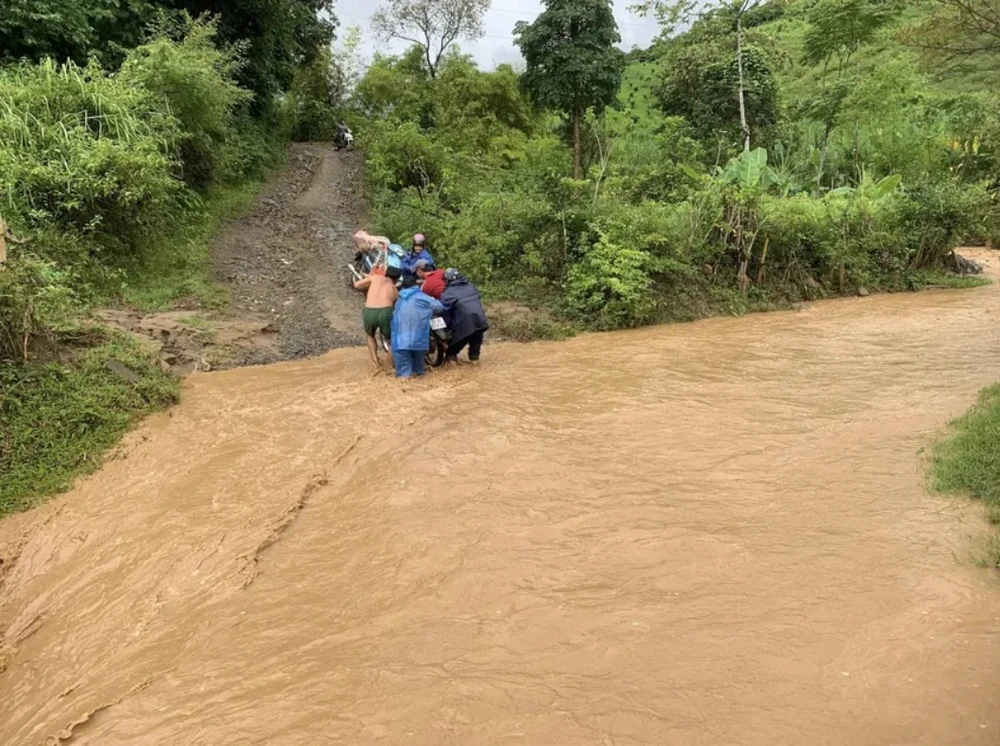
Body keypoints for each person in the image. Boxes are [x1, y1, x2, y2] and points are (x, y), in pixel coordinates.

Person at [391, 276, 444, 378]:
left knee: (403, 376)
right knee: (419, 373)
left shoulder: (399, 300)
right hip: (417, 340)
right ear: (416, 284)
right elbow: (439, 307)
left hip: (399, 341)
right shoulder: (422, 297)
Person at [354, 266, 401, 370]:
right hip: (385, 312)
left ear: (385, 274)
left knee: (370, 335)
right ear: (397, 279)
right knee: (391, 340)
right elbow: (397, 304)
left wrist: (368, 287)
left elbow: (356, 284)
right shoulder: (394, 288)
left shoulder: (375, 277)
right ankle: (389, 366)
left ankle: (375, 361)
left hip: (369, 310)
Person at [440, 269, 490, 363]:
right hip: (481, 320)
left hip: (465, 324)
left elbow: (444, 312)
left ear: (448, 280)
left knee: (452, 350)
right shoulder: (471, 286)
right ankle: (475, 361)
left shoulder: (448, 293)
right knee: (476, 346)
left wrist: (447, 329)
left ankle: (452, 360)